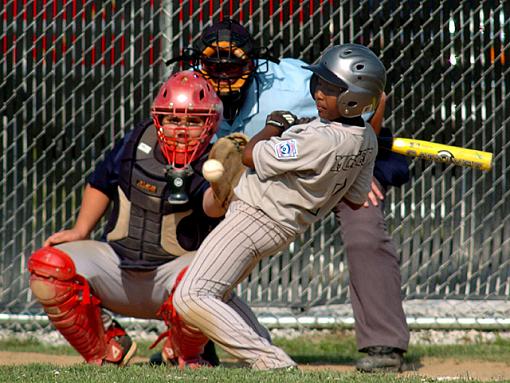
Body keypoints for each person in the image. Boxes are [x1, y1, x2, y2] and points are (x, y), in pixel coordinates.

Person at [182, 19, 410, 372]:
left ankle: (277, 361)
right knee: (215, 286)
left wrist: (277, 126)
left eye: (233, 62)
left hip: (266, 200)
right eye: (213, 63)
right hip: (281, 200)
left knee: (192, 295)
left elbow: (259, 155)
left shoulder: (293, 92)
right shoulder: (359, 136)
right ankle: (208, 348)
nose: (223, 71)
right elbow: (351, 181)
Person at [26, 71, 271, 367]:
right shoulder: (135, 142)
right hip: (118, 264)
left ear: (211, 122)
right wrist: (81, 230)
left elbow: (211, 208)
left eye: (194, 121)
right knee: (47, 266)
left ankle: (184, 352)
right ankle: (106, 347)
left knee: (204, 278)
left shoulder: (216, 156)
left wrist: (224, 185)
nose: (182, 129)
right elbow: (101, 182)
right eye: (173, 119)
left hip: (175, 278)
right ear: (159, 118)